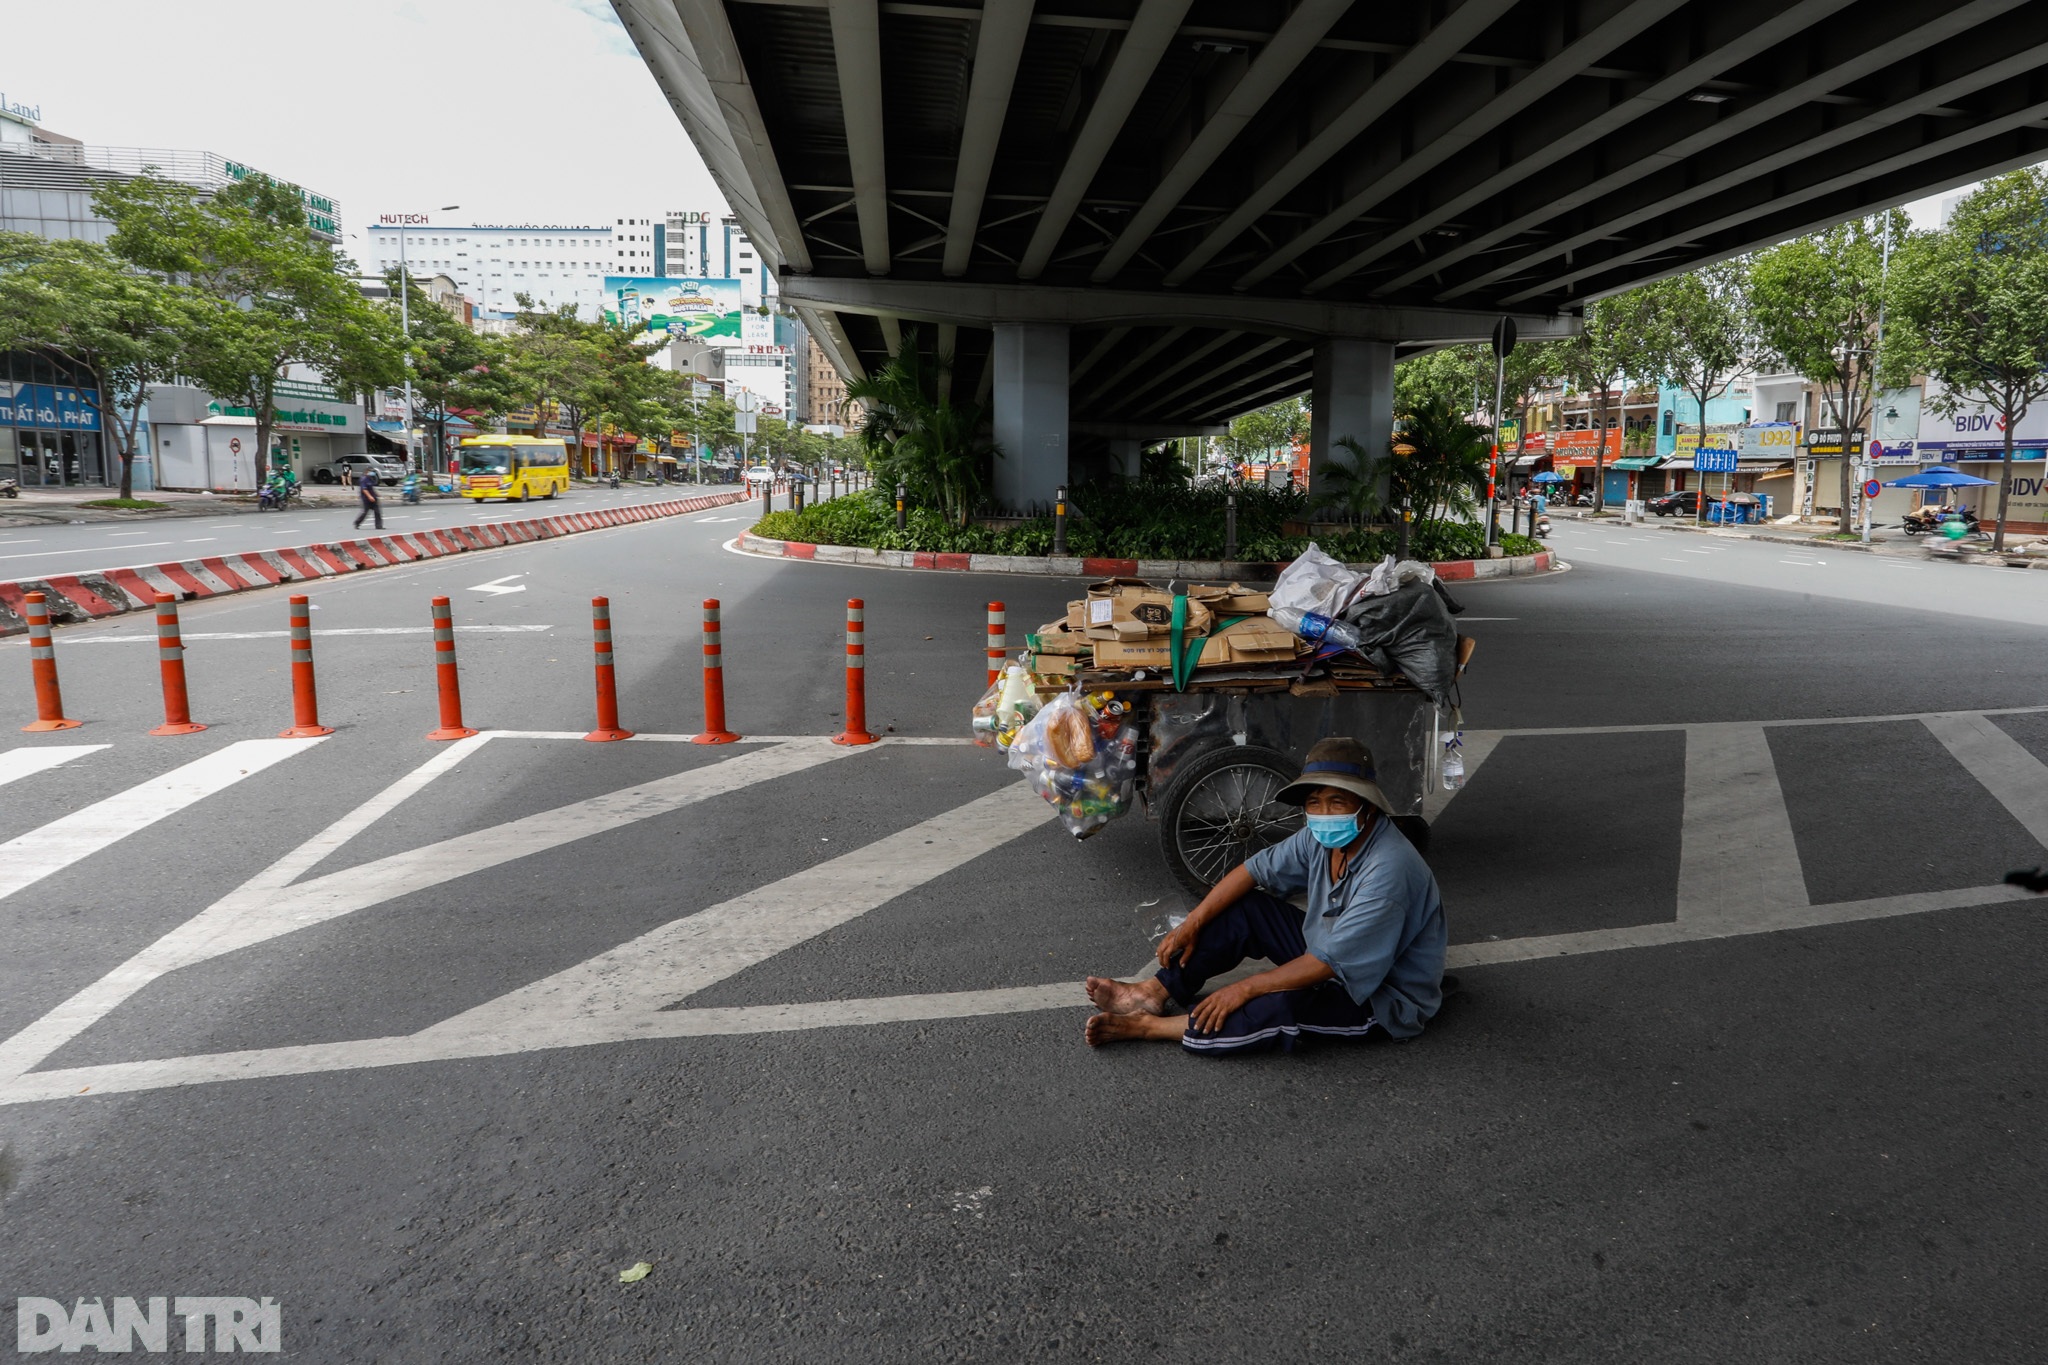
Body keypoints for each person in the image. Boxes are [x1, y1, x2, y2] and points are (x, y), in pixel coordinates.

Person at [1084, 736, 1447, 1055]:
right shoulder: (1320, 837)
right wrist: (1192, 923)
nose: (1323, 814)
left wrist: (1243, 989)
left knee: (1274, 1005)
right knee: (1244, 910)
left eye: (1339, 802)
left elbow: (1327, 965)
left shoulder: (1390, 871)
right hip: (1324, 954)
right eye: (1315, 802)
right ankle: (1151, 993)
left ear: (1367, 806)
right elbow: (1250, 872)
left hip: (1379, 997)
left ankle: (1151, 1027)